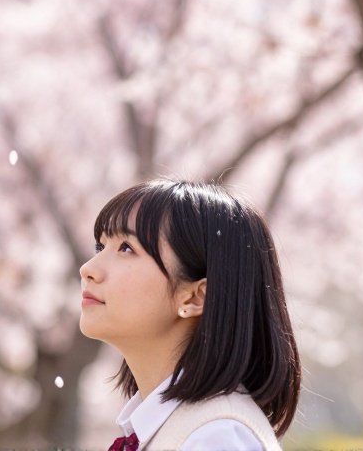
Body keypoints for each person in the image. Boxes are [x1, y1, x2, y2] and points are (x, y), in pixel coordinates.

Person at [78, 178, 302, 451]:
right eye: (101, 247)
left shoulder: (217, 438)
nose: (88, 268)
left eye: (127, 248)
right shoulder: (183, 429)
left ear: (196, 297)